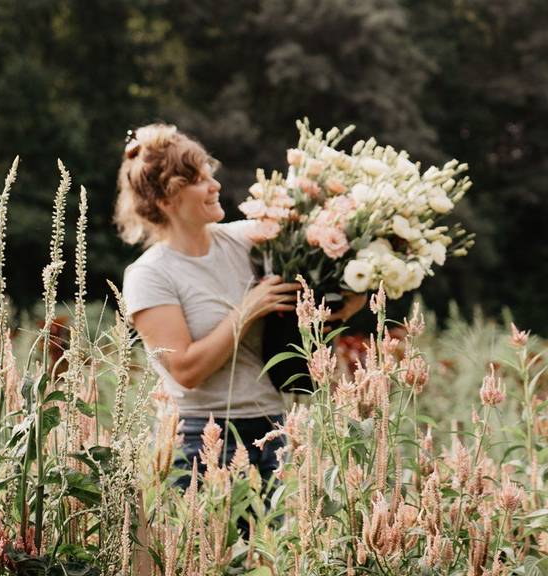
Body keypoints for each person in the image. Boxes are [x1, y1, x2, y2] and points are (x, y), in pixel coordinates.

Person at [115, 123, 363, 491]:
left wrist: (350, 293)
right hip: (197, 440)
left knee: (272, 549)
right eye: (198, 179)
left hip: (272, 430)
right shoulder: (150, 275)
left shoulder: (248, 240)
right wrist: (247, 311)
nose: (214, 185)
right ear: (167, 200)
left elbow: (333, 274)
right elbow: (186, 370)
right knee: (204, 550)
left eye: (208, 173)